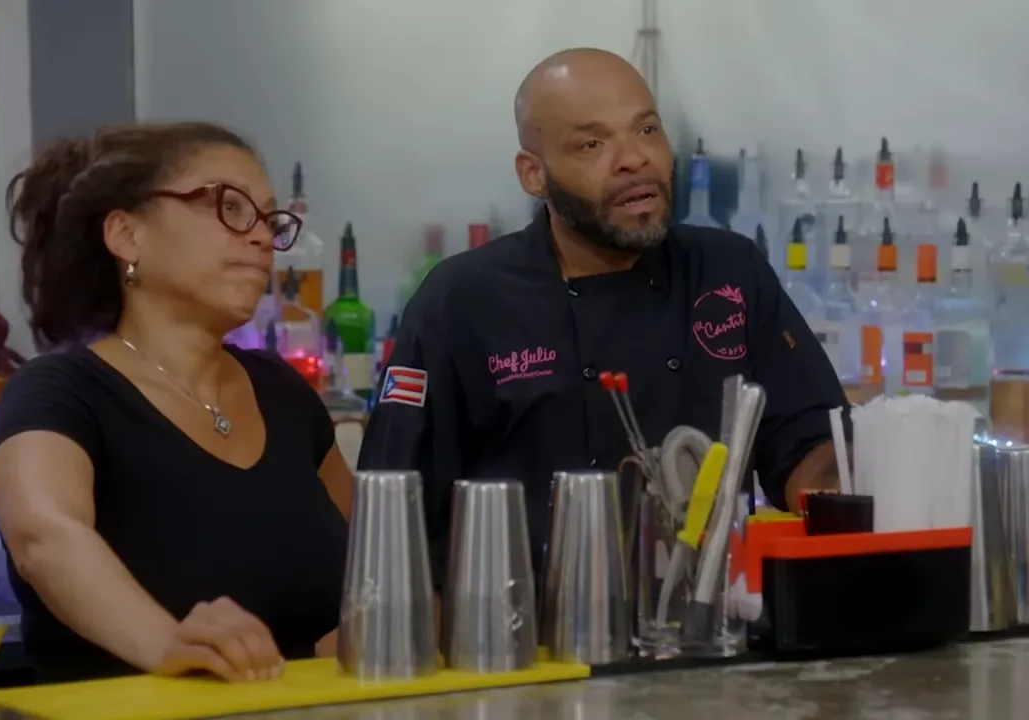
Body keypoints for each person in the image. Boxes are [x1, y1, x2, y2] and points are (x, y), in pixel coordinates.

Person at [358, 49, 845, 587]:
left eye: (647, 129)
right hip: (520, 643)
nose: (634, 159)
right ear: (534, 175)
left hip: (704, 624)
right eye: (592, 143)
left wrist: (852, 480)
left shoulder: (729, 268)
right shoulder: (462, 299)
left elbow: (810, 445)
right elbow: (394, 505)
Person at [0, 122, 352, 684]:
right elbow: (44, 537)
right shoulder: (62, 390)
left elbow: (372, 558)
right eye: (229, 207)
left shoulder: (283, 393)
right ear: (126, 235)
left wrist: (370, 623)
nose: (260, 237)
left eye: (268, 219)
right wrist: (169, 645)